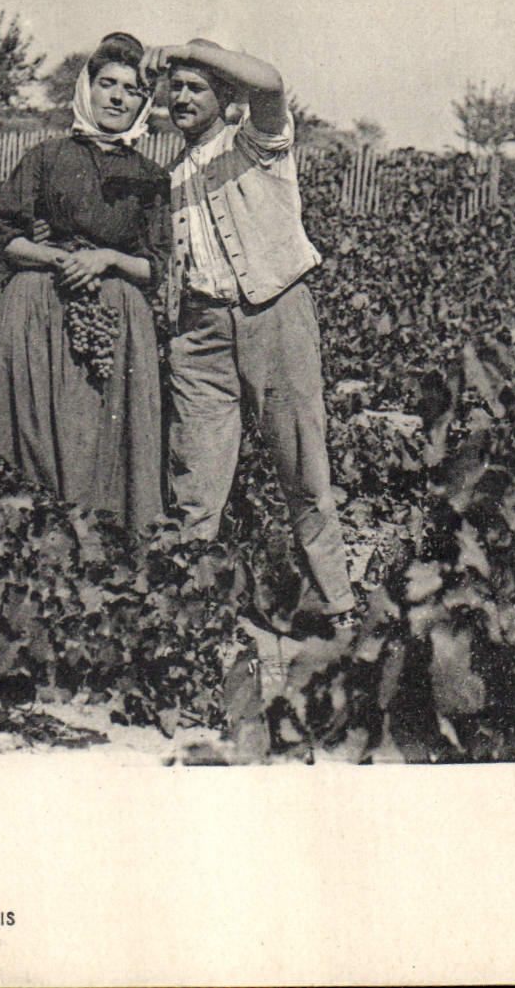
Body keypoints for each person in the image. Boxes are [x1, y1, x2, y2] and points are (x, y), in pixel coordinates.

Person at [143, 38, 357, 625]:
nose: (181, 97)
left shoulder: (259, 145)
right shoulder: (170, 176)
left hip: (274, 317)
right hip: (200, 331)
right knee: (195, 475)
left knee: (303, 467)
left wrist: (189, 47)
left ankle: (335, 604)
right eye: (176, 87)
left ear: (225, 97)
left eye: (197, 87)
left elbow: (270, 82)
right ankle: (186, 610)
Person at [0, 32, 171, 533]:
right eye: (107, 83)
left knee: (97, 433)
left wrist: (107, 258)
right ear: (87, 89)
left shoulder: (151, 177)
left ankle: (104, 541)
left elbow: (158, 266)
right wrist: (56, 256)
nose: (116, 97)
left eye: (131, 90)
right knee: (37, 428)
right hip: (40, 305)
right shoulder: (46, 157)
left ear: (143, 102)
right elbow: (3, 235)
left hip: (115, 315)